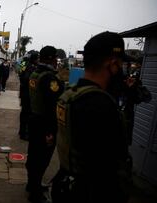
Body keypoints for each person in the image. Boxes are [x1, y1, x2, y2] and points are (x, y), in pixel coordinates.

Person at [52, 32, 131, 203]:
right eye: (121, 64)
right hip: (89, 193)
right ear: (113, 64)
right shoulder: (101, 105)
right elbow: (107, 169)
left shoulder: (71, 94)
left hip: (65, 184)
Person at [26, 46, 64, 202]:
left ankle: (31, 185)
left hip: (34, 120)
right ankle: (35, 194)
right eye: (55, 58)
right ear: (49, 58)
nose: (57, 61)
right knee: (42, 159)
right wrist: (50, 132)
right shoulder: (49, 78)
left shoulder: (35, 73)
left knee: (34, 155)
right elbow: (51, 106)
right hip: (45, 124)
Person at [19, 51, 39, 140]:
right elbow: (26, 79)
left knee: (24, 113)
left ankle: (22, 132)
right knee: (27, 114)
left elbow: (21, 74)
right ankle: (24, 133)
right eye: (37, 58)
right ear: (34, 59)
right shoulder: (31, 68)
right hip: (27, 94)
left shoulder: (25, 65)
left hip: (24, 93)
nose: (38, 60)